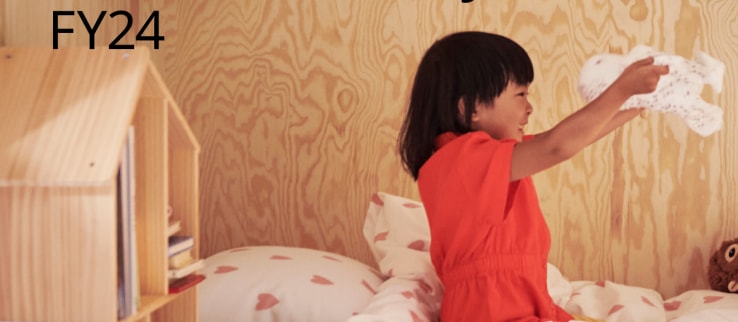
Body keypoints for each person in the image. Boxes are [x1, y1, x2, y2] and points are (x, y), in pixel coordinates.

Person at [397, 31, 668, 321]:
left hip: (520, 305)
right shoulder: (460, 161)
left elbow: (573, 139)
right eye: (521, 94)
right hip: (490, 311)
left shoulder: (489, 159)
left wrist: (635, 105)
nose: (529, 107)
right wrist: (622, 90)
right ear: (472, 108)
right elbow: (557, 146)